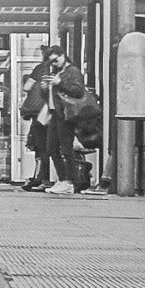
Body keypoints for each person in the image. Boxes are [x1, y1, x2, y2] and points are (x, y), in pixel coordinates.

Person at [50, 60, 103, 192]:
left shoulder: (72, 72)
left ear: (63, 57)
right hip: (55, 113)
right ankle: (62, 180)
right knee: (52, 148)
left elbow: (78, 91)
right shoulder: (57, 73)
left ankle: (69, 181)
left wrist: (59, 83)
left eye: (55, 60)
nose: (54, 63)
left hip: (67, 114)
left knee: (66, 148)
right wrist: (46, 89)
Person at [16, 50, 63, 192]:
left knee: (42, 146)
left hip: (41, 114)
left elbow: (27, 87)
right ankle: (51, 178)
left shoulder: (40, 69)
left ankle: (43, 178)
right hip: (55, 111)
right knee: (55, 146)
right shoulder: (62, 71)